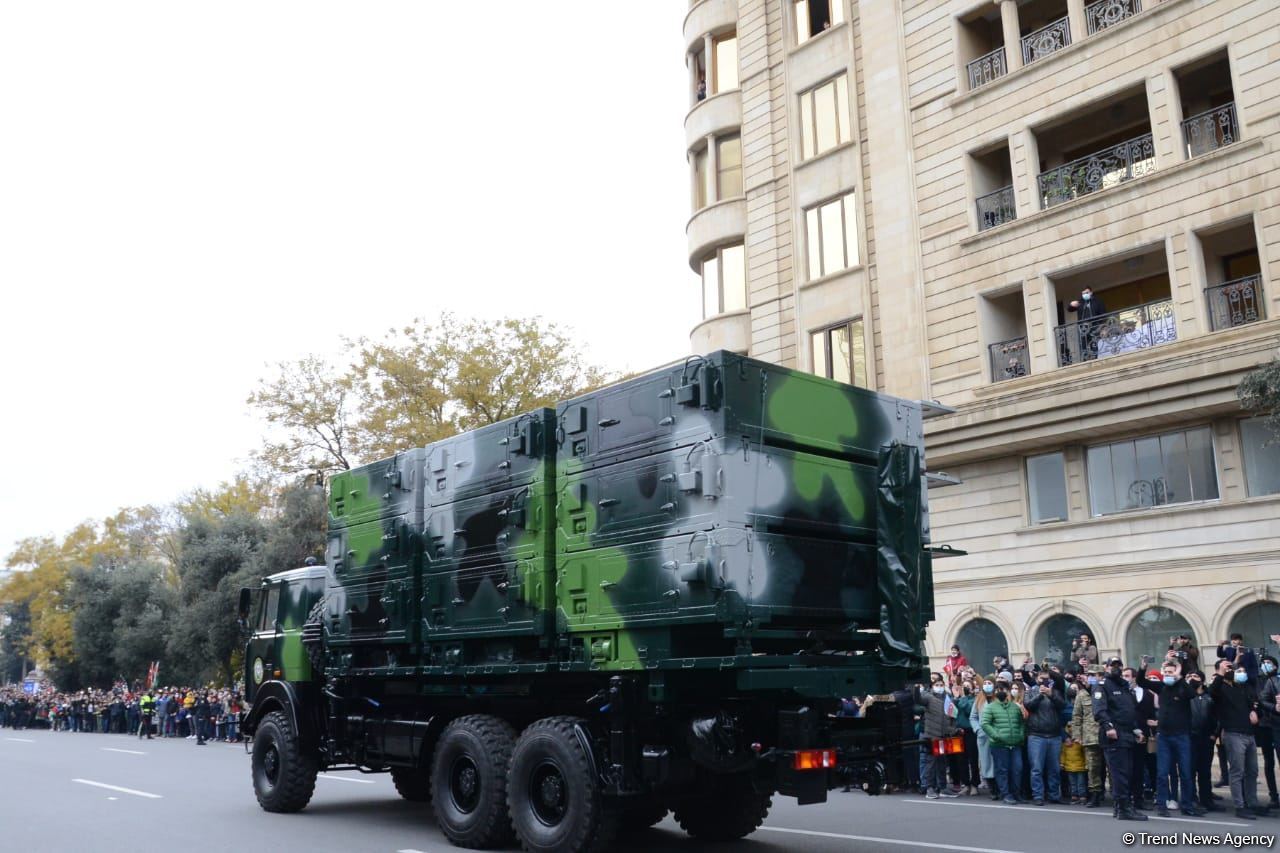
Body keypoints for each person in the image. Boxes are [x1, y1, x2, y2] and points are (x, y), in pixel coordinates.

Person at [1092, 657, 1148, 821]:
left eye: (1119, 665)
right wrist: (1108, 727)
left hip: (1127, 734)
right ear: (1107, 667)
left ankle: (1120, 806)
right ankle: (1124, 808)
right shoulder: (1101, 686)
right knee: (1120, 774)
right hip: (1114, 735)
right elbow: (1099, 710)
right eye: (1112, 665)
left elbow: (1130, 711)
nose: (1116, 668)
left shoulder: (1124, 687)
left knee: (1128, 773)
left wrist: (1136, 730)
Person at [1145, 659, 1201, 816]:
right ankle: (1162, 805)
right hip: (1164, 736)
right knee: (1162, 773)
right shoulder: (1161, 687)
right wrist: (1144, 667)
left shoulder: (1182, 687)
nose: (1169, 675)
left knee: (1185, 772)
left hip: (1182, 736)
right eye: (1167, 672)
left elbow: (1191, 694)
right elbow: (1143, 681)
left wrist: (1180, 677)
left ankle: (1187, 805)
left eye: (1171, 672)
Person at [1210, 658, 1264, 819]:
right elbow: (1212, 692)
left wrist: (1256, 712)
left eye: (1234, 668)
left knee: (1252, 770)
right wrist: (1221, 672)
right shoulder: (1221, 687)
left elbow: (1255, 704)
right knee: (1237, 771)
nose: (1233, 670)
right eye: (1229, 668)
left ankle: (1252, 802)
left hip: (1249, 734)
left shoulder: (1243, 687)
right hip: (1233, 734)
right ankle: (1240, 805)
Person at [982, 672, 1026, 805]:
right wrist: (996, 735)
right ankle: (1006, 794)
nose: (1001, 691)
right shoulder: (990, 707)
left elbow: (1021, 723)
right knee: (1002, 770)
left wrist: (1020, 735)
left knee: (1017, 769)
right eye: (998, 689)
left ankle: (1016, 793)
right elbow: (985, 723)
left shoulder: (1015, 707)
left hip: (1015, 743)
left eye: (1004, 689)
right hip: (999, 745)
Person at [915, 675, 960, 799]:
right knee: (930, 762)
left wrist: (952, 730)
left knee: (942, 762)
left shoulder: (947, 698)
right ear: (932, 686)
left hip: (944, 735)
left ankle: (943, 787)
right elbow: (918, 700)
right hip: (931, 735)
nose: (939, 687)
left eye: (941, 685)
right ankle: (929, 788)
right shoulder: (928, 697)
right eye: (937, 685)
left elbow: (952, 716)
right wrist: (916, 689)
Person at [1024, 670, 1066, 805]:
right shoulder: (1030, 691)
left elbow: (1062, 705)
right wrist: (1040, 695)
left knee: (1054, 768)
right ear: (1037, 678)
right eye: (1041, 679)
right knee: (1036, 768)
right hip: (1036, 735)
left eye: (1046, 679)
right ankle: (1038, 795)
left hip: (1054, 735)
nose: (1044, 682)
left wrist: (1051, 694)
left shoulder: (1055, 691)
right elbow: (1028, 706)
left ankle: (1054, 795)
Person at [1071, 666, 1107, 807]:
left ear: (1101, 676)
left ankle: (1117, 796)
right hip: (1090, 737)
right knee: (1093, 768)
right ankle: (1095, 794)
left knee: (1112, 768)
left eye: (1093, 675)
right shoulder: (1082, 694)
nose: (1090, 677)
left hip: (1107, 735)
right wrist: (1077, 736)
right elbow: (1077, 716)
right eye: (1089, 674)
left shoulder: (1106, 691)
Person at [971, 678, 997, 799]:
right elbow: (973, 717)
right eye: (985, 683)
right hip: (983, 736)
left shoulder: (998, 697)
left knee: (998, 761)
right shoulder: (979, 699)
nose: (987, 685)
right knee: (986, 762)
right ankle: (992, 788)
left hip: (997, 735)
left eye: (989, 683)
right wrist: (977, 729)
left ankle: (1000, 787)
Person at [1260, 655, 1280, 810]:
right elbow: (1262, 700)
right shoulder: (1262, 680)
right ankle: (1273, 796)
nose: (1265, 665)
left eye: (1269, 663)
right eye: (1264, 663)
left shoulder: (1276, 680)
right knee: (1269, 763)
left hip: (1277, 725)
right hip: (1266, 726)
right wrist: (1274, 707)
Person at [1067, 289, 1108, 361]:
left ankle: (1096, 359)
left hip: (1095, 326)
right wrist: (1071, 305)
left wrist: (1102, 326)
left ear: (1091, 293)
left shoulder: (1097, 301)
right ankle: (1085, 359)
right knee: (1083, 345)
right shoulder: (1080, 302)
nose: (1084, 295)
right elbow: (1069, 309)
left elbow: (1103, 314)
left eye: (1086, 293)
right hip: (1083, 328)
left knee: (1095, 344)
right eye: (1083, 294)